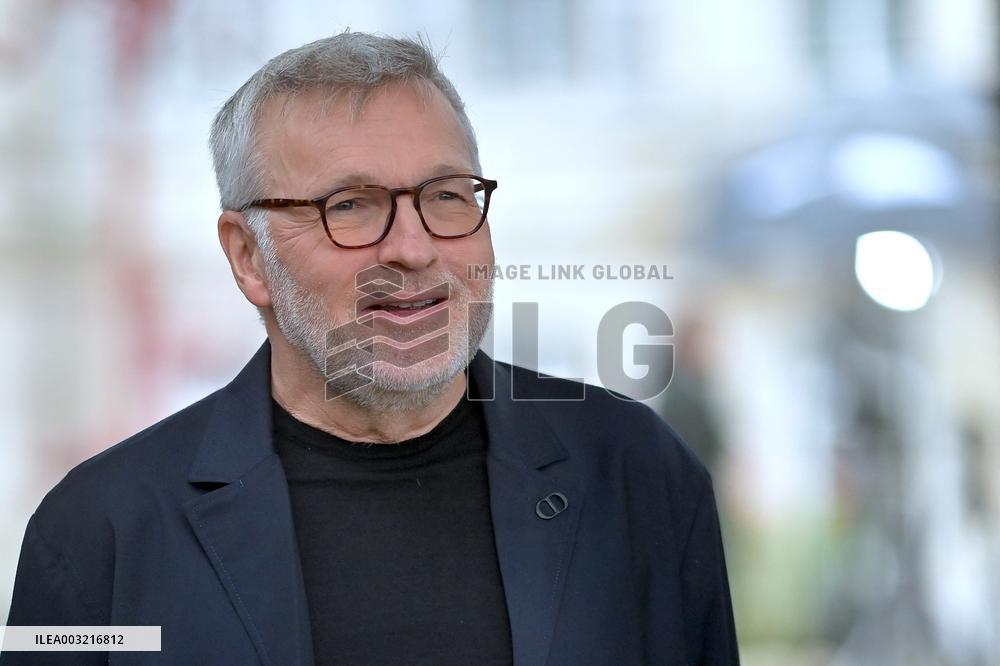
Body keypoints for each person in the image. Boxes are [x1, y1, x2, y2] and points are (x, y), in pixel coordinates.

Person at [4, 32, 739, 665]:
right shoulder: (101, 533)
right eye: (350, 206)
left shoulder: (637, 475)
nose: (414, 248)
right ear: (248, 257)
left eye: (448, 195)